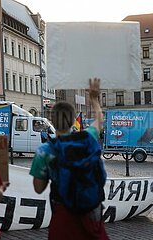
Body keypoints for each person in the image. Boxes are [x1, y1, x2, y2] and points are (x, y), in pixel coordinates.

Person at [29, 78, 109, 240]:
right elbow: (99, 119)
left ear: (52, 120)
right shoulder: (88, 137)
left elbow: (38, 188)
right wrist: (94, 98)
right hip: (90, 211)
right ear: (73, 120)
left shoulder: (45, 150)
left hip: (63, 212)